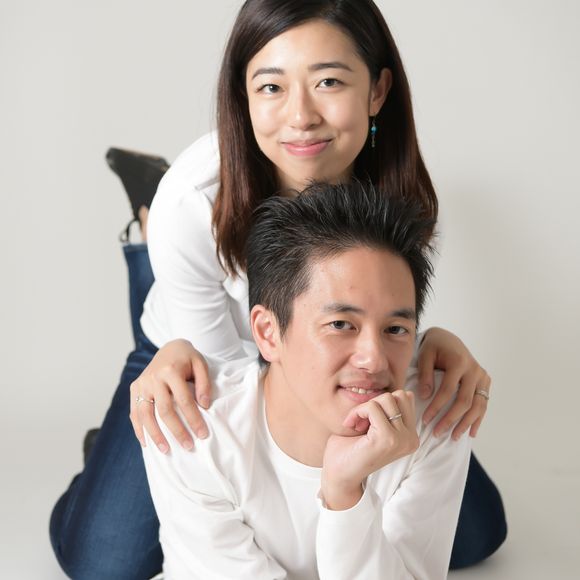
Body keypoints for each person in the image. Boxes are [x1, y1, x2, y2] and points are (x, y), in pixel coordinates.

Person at [49, 1, 506, 578]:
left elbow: (372, 323)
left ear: (377, 90)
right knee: (104, 562)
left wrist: (427, 343)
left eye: (329, 82)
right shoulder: (192, 201)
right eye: (271, 86)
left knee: (475, 535)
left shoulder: (396, 190)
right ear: (242, 97)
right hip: (198, 356)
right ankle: (146, 242)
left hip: (326, 354)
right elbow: (233, 399)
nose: (301, 116)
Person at [143, 181, 472, 579]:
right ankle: (142, 237)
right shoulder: (192, 426)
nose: (373, 359)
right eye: (341, 324)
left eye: (396, 329)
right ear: (267, 333)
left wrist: (344, 493)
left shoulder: (438, 414)